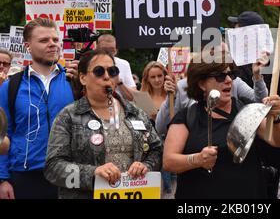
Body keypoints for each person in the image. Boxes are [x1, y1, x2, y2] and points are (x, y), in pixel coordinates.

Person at [163, 53, 280, 198]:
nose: (229, 80)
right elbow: (169, 161)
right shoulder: (187, 117)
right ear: (202, 84)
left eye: (231, 74)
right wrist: (197, 159)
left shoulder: (248, 109)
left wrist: (277, 117)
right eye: (220, 76)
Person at [44, 49, 162, 199]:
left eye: (112, 71)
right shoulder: (68, 116)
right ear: (83, 78)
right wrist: (93, 173)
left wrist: (146, 166)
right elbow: (53, 168)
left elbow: (156, 150)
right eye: (99, 71)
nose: (107, 76)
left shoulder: (135, 112)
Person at [0, 18, 77, 199]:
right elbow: (2, 135)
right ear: (28, 46)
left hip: (70, 173)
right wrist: (2, 178)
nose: (52, 44)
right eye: (44, 40)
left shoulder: (74, 81)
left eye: (55, 40)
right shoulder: (10, 86)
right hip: (25, 176)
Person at [96, 34, 136, 101]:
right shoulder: (89, 63)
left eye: (111, 50)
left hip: (119, 108)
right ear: (97, 48)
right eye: (104, 50)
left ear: (116, 50)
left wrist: (119, 82)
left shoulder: (124, 64)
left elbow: (133, 97)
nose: (108, 53)